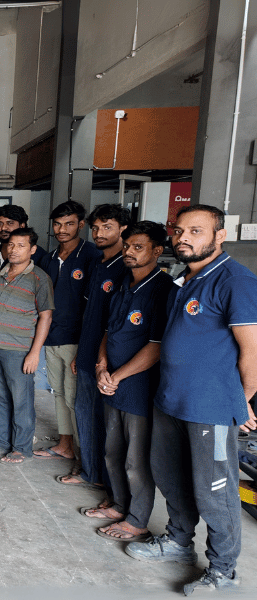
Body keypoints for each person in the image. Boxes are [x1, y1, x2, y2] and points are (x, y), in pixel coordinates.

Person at [125, 206, 257, 595]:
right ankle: (179, 541)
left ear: (220, 236)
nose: (183, 237)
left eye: (196, 231)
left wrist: (241, 402)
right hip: (171, 401)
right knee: (170, 477)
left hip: (210, 408)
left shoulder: (235, 281)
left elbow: (252, 352)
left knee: (215, 492)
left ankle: (223, 570)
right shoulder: (182, 281)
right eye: (179, 230)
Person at [84, 221, 173, 542]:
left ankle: (137, 520)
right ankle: (120, 504)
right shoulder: (123, 284)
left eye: (138, 247)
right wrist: (102, 366)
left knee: (136, 460)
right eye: (127, 247)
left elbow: (156, 347)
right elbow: (109, 331)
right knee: (112, 452)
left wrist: (117, 376)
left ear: (157, 251)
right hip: (111, 384)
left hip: (137, 389)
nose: (129, 252)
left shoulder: (163, 289)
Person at [58, 204, 130, 488]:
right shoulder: (98, 264)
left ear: (123, 229)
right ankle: (90, 471)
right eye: (96, 228)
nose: (99, 233)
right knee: (85, 413)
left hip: (111, 360)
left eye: (107, 227)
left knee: (108, 422)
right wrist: (81, 351)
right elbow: (90, 314)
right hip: (88, 352)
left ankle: (108, 481)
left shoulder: (125, 268)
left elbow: (115, 323)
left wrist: (103, 360)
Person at [0, 228, 53, 464]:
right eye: (11, 245)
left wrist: (35, 353)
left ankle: (21, 448)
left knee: (21, 400)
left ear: (32, 250)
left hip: (20, 350)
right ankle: (2, 442)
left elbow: (46, 316)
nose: (14, 250)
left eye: (20, 245)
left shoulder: (39, 278)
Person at [35, 200, 100, 462]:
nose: (62, 230)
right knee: (59, 393)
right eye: (58, 224)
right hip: (52, 337)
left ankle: (85, 458)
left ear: (81, 225)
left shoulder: (92, 256)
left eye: (69, 224)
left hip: (76, 340)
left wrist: (85, 348)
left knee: (76, 398)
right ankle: (65, 445)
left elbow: (94, 307)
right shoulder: (49, 259)